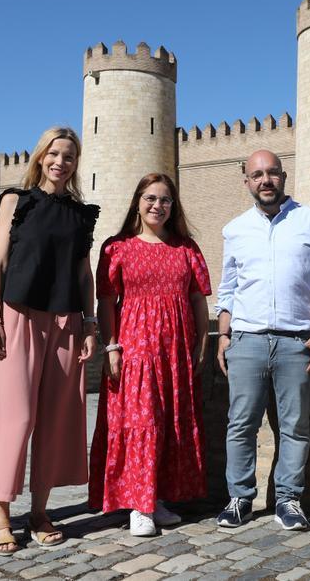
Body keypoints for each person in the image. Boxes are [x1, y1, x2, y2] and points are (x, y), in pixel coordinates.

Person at [0, 126, 99, 554]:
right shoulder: (16, 201)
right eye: (54, 154)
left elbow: (84, 273)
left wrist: (90, 324)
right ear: (40, 157)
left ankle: (39, 510)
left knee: (56, 420)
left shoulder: (81, 213)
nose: (60, 162)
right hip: (19, 314)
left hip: (67, 320)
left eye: (69, 156)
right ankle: (0, 513)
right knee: (18, 417)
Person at [215, 149, 310, 531]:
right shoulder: (235, 229)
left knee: (295, 426)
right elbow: (228, 289)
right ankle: (239, 498)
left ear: (284, 177)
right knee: (241, 425)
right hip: (247, 340)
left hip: (296, 342)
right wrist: (224, 335)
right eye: (257, 175)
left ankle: (288, 500)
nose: (265, 180)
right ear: (247, 182)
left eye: (272, 173)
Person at [88, 173, 211, 536]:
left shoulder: (186, 248)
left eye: (165, 200)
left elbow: (197, 301)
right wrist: (111, 347)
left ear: (174, 207)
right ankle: (138, 505)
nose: (158, 206)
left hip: (175, 350)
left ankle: (155, 496)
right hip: (135, 348)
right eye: (151, 198)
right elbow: (106, 302)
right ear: (137, 203)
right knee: (141, 424)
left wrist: (201, 343)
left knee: (170, 423)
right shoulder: (117, 248)